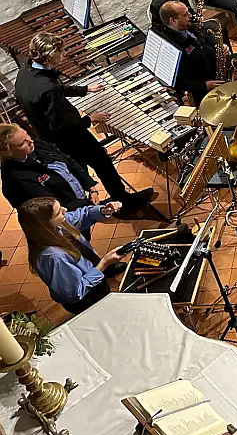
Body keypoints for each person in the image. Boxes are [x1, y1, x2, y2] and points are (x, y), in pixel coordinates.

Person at [14, 32, 154, 209]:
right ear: (50, 57)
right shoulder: (48, 89)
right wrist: (89, 119)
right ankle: (124, 203)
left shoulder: (26, 71)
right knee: (102, 163)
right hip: (69, 137)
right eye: (61, 52)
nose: (63, 55)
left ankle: (85, 204)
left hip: (45, 134)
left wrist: (85, 89)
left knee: (78, 170)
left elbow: (54, 89)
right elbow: (62, 126)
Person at [19, 196, 124, 314]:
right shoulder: (54, 257)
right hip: (86, 298)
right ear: (45, 224)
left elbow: (83, 215)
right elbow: (75, 294)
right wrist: (104, 263)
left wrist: (104, 211)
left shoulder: (58, 224)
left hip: (94, 277)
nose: (65, 210)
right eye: (59, 212)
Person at [156, 1, 237, 104]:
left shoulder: (188, 25)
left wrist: (219, 45)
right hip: (205, 82)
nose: (191, 16)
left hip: (213, 64)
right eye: (185, 14)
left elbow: (206, 34)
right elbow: (178, 82)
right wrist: (204, 85)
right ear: (173, 20)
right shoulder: (170, 47)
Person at [0, 124, 103, 213]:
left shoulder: (36, 145)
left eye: (27, 134)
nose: (30, 141)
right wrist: (92, 205)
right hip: (64, 217)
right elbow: (55, 205)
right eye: (22, 143)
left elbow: (68, 160)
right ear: (7, 152)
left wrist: (91, 189)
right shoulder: (18, 178)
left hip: (81, 203)